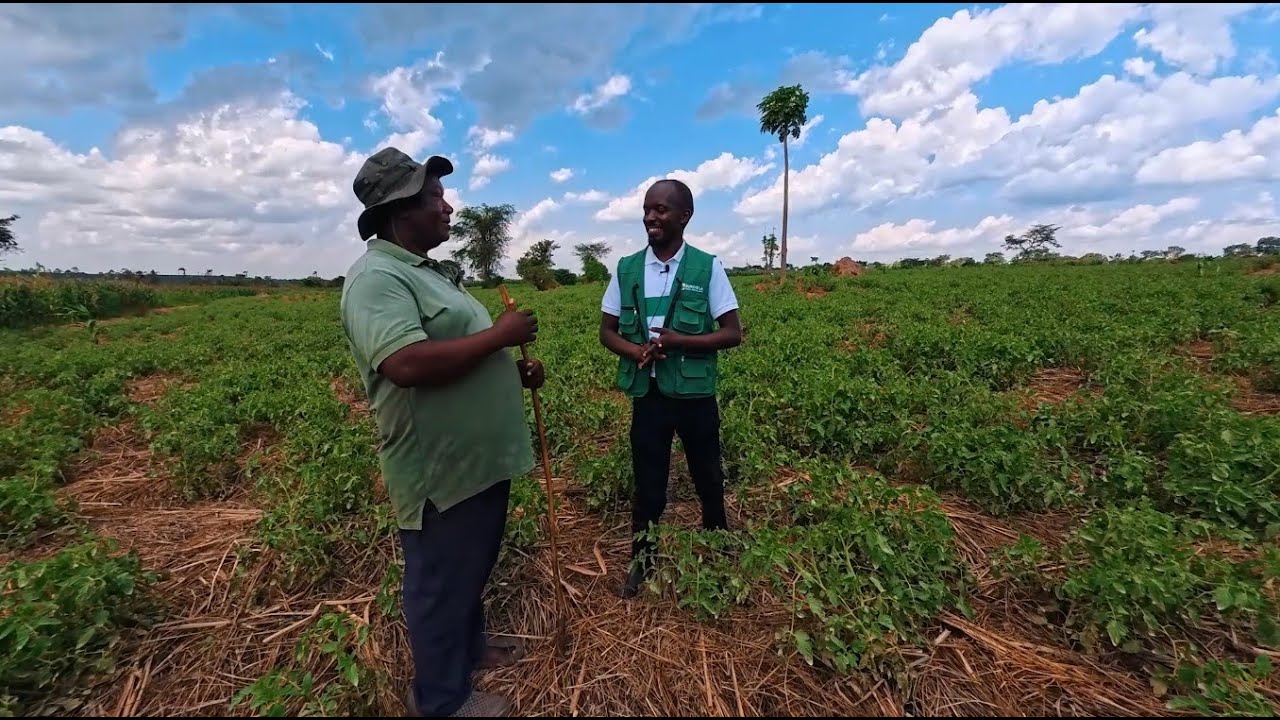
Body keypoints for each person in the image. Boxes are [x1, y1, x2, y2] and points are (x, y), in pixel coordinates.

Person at [340, 147, 540, 718]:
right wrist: (499, 337)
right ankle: (443, 701)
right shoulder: (376, 279)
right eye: (435, 197)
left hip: (475, 461)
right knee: (439, 583)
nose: (448, 207)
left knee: (468, 568)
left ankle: (471, 650)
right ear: (400, 210)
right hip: (439, 469)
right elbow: (405, 363)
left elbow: (459, 352)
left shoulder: (427, 273)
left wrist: (509, 370)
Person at [598, 178, 743, 599]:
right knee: (648, 483)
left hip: (696, 396)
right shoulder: (626, 268)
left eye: (660, 209)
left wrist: (681, 341)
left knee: (707, 474)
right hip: (649, 396)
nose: (651, 217)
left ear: (685, 216)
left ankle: (717, 543)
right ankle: (642, 561)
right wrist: (635, 351)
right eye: (647, 209)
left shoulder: (706, 267)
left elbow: (732, 333)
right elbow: (607, 331)